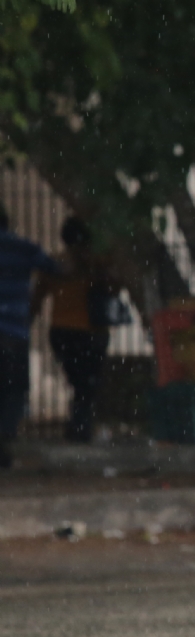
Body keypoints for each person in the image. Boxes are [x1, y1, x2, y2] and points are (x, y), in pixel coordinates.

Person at [37, 218, 112, 443]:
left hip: (63, 331)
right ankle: (80, 426)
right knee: (87, 383)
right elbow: (114, 287)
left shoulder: (55, 263)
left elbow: (38, 295)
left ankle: (79, 425)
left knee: (80, 381)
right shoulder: (97, 264)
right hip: (91, 332)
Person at [0, 201, 58, 469]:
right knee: (12, 390)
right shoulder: (25, 248)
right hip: (13, 331)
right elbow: (56, 270)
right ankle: (5, 443)